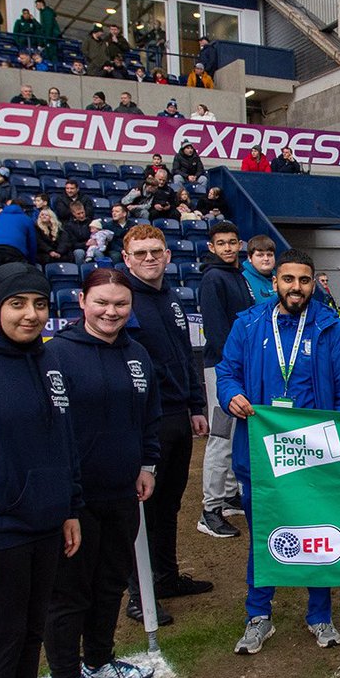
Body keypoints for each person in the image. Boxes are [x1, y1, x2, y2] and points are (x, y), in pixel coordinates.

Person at [217, 251, 340, 654]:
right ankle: (258, 615)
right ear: (275, 282)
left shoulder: (332, 326)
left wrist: (337, 433)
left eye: (303, 280)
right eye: (287, 279)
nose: (295, 287)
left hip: (316, 454)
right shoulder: (248, 324)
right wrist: (231, 395)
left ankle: (319, 615)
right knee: (262, 535)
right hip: (260, 452)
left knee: (317, 533)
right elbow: (227, 371)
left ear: (313, 282)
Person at [44, 270, 160, 678]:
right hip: (75, 497)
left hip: (123, 491)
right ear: (82, 301)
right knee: (71, 588)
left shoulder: (137, 355)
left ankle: (98, 659)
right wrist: (65, 492)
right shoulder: (55, 356)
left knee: (111, 578)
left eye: (120, 304)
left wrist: (147, 463)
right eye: (102, 303)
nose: (111, 312)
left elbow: (149, 415)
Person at [0, 263, 80, 678]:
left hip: (45, 521)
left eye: (40, 304)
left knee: (28, 637)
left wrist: (69, 505)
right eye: (18, 303)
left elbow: (60, 440)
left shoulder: (45, 361)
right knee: (0, 643)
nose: (30, 314)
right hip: (1, 529)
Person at [122, 225, 211, 624]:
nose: (149, 258)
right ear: (127, 259)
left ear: (168, 255)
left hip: (178, 415)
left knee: (170, 503)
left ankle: (167, 577)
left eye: (155, 251)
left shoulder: (172, 298)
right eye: (139, 253)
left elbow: (185, 357)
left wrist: (196, 404)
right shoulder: (124, 301)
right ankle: (140, 592)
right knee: (142, 510)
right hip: (147, 420)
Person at [197, 223, 254, 539]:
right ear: (212, 247)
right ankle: (210, 509)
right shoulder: (213, 279)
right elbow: (217, 331)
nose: (229, 248)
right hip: (222, 369)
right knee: (220, 437)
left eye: (233, 242)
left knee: (233, 434)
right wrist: (231, 369)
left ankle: (230, 496)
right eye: (222, 243)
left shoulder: (238, 276)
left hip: (236, 368)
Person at [0, 199, 37, 271]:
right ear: (23, 209)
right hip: (15, 251)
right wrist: (32, 263)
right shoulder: (27, 219)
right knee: (14, 278)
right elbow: (32, 243)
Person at [242, 235, 276, 302]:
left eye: (269, 255)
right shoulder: (243, 279)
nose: (266, 259)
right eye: (260, 255)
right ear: (249, 258)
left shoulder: (280, 276)